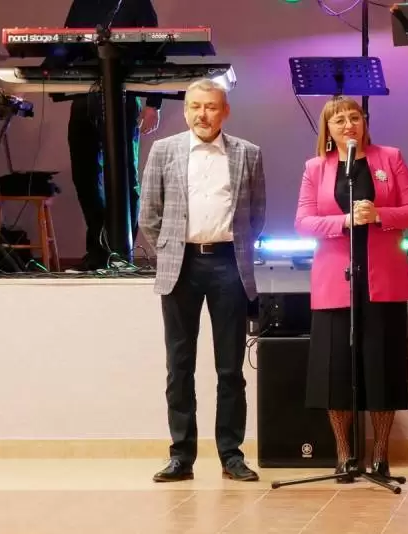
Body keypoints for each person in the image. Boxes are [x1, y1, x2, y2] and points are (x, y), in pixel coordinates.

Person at [139, 78, 266, 483]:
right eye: (195, 106)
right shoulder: (164, 150)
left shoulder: (248, 153)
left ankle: (231, 455)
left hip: (229, 265)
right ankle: (181, 456)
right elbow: (149, 214)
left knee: (230, 368)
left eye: (211, 107)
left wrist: (233, 248)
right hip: (181, 267)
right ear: (185, 110)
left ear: (225, 111)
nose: (202, 114)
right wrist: (171, 251)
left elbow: (256, 215)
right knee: (179, 367)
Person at [294, 96, 408, 480]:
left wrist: (380, 214)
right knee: (336, 372)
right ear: (328, 130)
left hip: (384, 280)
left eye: (355, 117)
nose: (349, 124)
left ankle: (381, 455)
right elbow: (303, 221)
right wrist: (344, 221)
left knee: (383, 370)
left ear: (365, 122)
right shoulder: (315, 168)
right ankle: (344, 455)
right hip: (335, 281)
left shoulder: (390, 158)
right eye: (339, 120)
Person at [58, 0, 162, 271]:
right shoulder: (82, 3)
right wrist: (27, 77)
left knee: (124, 176)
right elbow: (66, 43)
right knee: (84, 176)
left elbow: (155, 49)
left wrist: (154, 103)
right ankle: (98, 249)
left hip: (123, 95)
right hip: (85, 96)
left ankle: (122, 252)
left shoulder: (135, 2)